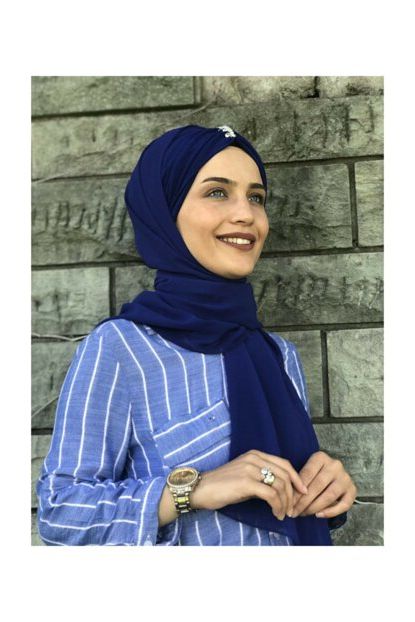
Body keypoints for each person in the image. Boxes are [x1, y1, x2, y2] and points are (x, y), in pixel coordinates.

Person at [36, 124, 357, 546]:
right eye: (217, 192)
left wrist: (326, 491)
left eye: (256, 197)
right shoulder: (123, 349)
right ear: (165, 214)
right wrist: (193, 490)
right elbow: (61, 513)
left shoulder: (278, 355)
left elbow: (285, 510)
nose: (246, 214)